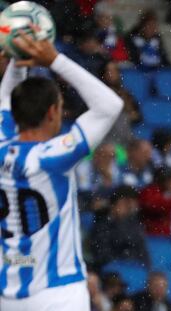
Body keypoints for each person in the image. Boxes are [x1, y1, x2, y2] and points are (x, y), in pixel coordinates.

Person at [0, 29, 123, 310]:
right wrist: (54, 59)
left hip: (9, 292)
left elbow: (6, 100)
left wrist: (19, 59)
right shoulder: (51, 157)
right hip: (57, 293)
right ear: (52, 113)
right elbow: (109, 105)